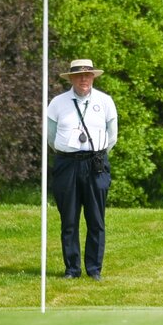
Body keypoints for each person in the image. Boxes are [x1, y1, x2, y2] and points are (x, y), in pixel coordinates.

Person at [47, 59, 118, 281]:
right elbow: (50, 136)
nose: (84, 79)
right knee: (69, 218)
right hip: (66, 163)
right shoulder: (58, 103)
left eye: (88, 75)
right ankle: (72, 268)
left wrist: (96, 154)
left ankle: (94, 269)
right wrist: (68, 151)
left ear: (93, 77)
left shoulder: (105, 101)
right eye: (79, 76)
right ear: (71, 79)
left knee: (96, 219)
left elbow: (112, 135)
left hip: (95, 163)